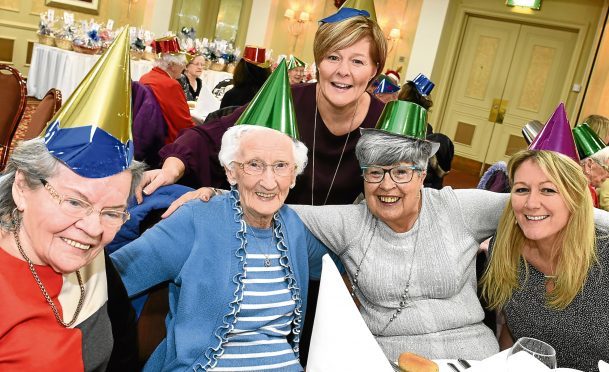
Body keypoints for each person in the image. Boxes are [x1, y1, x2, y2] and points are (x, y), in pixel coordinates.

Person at [177, 101, 508, 362]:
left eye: (402, 172)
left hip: (475, 359)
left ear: (422, 174)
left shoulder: (461, 209)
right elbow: (273, 206)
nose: (387, 185)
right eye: (375, 172)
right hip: (391, 360)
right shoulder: (350, 223)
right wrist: (216, 196)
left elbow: (535, 206)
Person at [110, 62, 336, 370]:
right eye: (254, 164)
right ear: (230, 171)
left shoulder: (293, 229)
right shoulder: (196, 220)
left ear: (294, 176)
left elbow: (345, 266)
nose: (268, 181)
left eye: (281, 166)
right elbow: (115, 277)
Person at [138, 5, 387, 208]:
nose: (343, 71)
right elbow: (210, 135)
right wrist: (172, 167)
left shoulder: (383, 126)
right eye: (333, 57)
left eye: (357, 61)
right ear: (318, 62)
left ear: (374, 69)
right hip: (268, 233)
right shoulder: (286, 100)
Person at [0, 29, 145, 371]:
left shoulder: (89, 257)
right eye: (76, 202)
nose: (94, 229)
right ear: (22, 186)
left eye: (112, 212)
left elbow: (124, 354)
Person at [480, 149, 609, 371]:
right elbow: (511, 334)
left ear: (575, 198)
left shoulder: (603, 258)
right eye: (521, 189)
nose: (531, 203)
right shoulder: (504, 251)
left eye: (548, 190)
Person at [139, 36, 193, 144]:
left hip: (145, 137)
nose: (184, 68)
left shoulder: (145, 77)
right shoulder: (171, 85)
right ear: (172, 65)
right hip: (166, 143)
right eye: (182, 63)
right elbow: (184, 123)